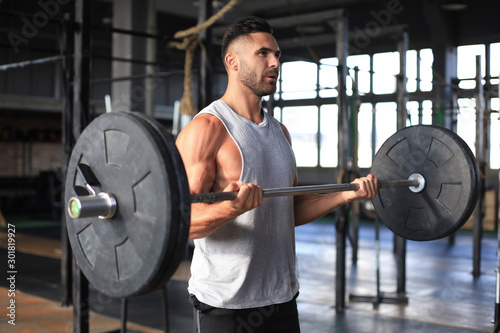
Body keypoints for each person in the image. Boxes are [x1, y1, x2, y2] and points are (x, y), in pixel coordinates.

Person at [175, 16, 378, 333]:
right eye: (263, 54)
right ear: (233, 61)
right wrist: (233, 207)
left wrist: (346, 194)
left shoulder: (280, 132)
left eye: (277, 55)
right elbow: (182, 223)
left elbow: (289, 210)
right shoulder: (207, 128)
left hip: (281, 299)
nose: (275, 63)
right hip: (226, 306)